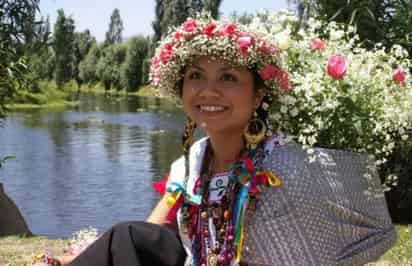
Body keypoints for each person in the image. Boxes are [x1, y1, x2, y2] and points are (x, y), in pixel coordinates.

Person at [33, 14, 396, 266]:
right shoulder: (192, 162)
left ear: (258, 96)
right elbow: (150, 231)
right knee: (128, 237)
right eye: (195, 75)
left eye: (228, 77)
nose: (208, 90)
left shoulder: (284, 167)